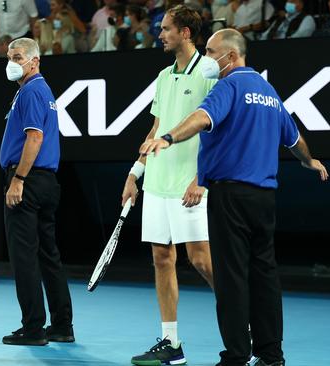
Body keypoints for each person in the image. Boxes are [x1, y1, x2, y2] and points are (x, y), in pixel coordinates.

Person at [139, 28, 328, 366]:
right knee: (265, 276)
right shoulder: (269, 92)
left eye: (212, 52)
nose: (208, 58)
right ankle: (271, 354)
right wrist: (309, 160)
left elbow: (200, 118)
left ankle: (236, 356)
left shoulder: (229, 85)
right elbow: (295, 139)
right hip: (264, 198)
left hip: (230, 196)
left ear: (231, 56)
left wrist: (168, 136)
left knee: (230, 278)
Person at [121, 5, 216, 366]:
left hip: (189, 184)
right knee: (162, 258)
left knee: (201, 261)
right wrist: (135, 174)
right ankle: (171, 343)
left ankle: (245, 325)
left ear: (186, 33)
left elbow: (216, 131)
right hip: (158, 181)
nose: (159, 34)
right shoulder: (163, 76)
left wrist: (200, 179)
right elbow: (156, 129)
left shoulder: (209, 75)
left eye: (166, 29)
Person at [0, 37, 74, 347]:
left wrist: (18, 179)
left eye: (18, 57)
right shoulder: (38, 90)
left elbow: (34, 139)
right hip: (44, 182)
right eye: (9, 57)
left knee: (24, 257)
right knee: (47, 256)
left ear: (34, 61)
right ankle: (61, 326)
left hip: (28, 181)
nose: (12, 62)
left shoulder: (31, 90)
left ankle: (33, 328)